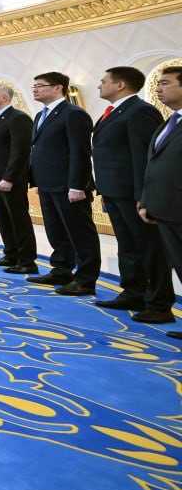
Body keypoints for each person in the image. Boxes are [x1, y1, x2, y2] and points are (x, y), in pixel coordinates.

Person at [91, 67, 165, 317]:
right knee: (127, 245)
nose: (99, 85)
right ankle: (133, 292)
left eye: (104, 81)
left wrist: (142, 196)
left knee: (147, 247)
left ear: (120, 84)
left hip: (132, 193)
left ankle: (156, 301)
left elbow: (143, 157)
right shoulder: (114, 112)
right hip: (113, 191)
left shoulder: (140, 111)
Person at [26, 72, 100, 295]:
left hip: (69, 186)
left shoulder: (73, 114)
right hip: (47, 184)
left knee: (80, 234)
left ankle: (85, 280)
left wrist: (77, 185)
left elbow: (80, 152)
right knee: (56, 231)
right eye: (34, 86)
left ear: (58, 88)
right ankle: (61, 270)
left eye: (40, 86)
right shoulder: (40, 115)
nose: (35, 89)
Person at [139, 65, 182, 338]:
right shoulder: (169, 122)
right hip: (165, 209)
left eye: (165, 83)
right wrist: (146, 200)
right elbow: (154, 165)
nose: (158, 88)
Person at [0, 84, 37, 274]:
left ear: (4, 97)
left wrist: (9, 177)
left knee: (18, 219)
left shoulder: (18, 118)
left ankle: (27, 261)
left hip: (10, 180)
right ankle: (11, 254)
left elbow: (20, 151)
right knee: (3, 219)